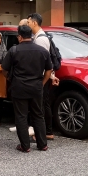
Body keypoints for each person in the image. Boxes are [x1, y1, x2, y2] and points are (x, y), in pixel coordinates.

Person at [2, 24, 52, 153]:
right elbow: (49, 69)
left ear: (19, 37)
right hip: (36, 87)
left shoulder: (14, 50)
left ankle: (25, 146)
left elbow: (4, 69)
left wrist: (10, 79)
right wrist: (42, 82)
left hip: (19, 87)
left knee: (21, 116)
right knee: (38, 115)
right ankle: (42, 144)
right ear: (31, 35)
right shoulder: (42, 51)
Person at [28, 13, 60, 141]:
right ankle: (48, 131)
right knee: (44, 104)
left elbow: (42, 62)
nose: (28, 24)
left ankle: (43, 133)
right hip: (44, 76)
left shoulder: (40, 39)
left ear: (34, 23)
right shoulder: (40, 36)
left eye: (29, 22)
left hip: (41, 77)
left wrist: (44, 80)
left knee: (40, 106)